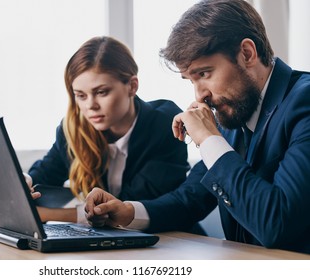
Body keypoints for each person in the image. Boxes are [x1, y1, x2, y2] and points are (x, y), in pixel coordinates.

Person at [85, 0, 310, 254]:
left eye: (204, 74)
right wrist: (128, 212)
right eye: (191, 79)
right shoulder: (237, 110)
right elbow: (188, 201)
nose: (200, 95)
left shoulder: (304, 102)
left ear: (247, 53)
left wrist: (209, 139)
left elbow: (276, 223)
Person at [0, 36, 192, 230]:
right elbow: (44, 175)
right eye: (80, 95)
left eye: (101, 92)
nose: (91, 106)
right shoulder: (73, 129)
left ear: (132, 86)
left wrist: (43, 214)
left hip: (169, 240)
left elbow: (126, 206)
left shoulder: (165, 123)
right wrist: (24, 183)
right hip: (107, 246)